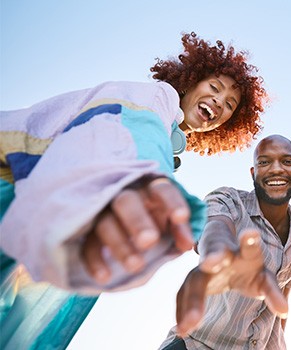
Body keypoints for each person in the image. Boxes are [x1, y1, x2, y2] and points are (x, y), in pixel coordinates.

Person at [0, 32, 267, 349]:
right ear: (190, 80)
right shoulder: (154, 99)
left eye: (229, 105)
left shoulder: (167, 141)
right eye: (214, 87)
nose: (219, 102)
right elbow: (133, 135)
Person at [159, 135, 291, 350]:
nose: (276, 169)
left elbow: (282, 299)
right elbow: (214, 227)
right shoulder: (228, 200)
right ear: (253, 173)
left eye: (287, 161)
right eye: (264, 162)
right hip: (195, 344)